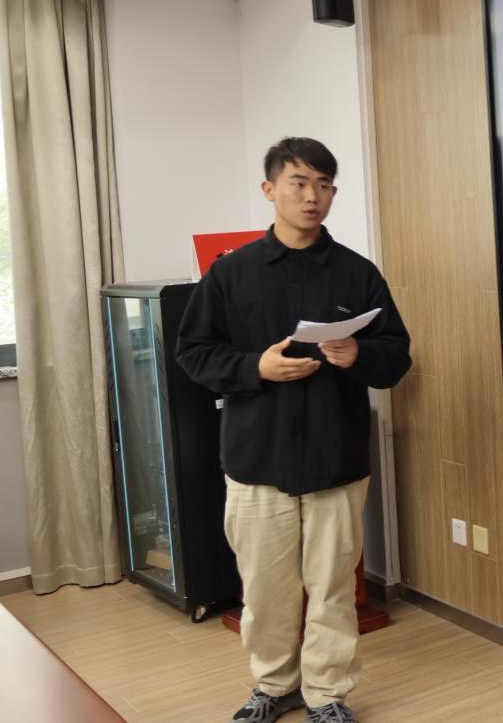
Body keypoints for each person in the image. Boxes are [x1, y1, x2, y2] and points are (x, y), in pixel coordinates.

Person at [177, 137, 411, 723]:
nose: (313, 196)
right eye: (299, 183)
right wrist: (255, 367)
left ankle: (327, 695)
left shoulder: (358, 273)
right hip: (257, 459)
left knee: (332, 587)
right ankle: (274, 685)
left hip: (335, 457)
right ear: (270, 190)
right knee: (265, 589)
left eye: (324, 185)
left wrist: (359, 354)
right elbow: (194, 353)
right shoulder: (230, 273)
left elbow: (396, 355)